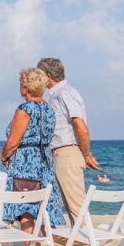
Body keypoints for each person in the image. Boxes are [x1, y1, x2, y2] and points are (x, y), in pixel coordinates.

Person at [1, 67, 65, 246]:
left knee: (26, 216)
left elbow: (13, 141)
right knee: (43, 215)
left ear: (25, 87)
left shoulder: (25, 109)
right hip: (44, 164)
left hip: (25, 164)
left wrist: (4, 155)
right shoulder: (48, 109)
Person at [36, 57, 103, 225]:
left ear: (48, 76)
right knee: (69, 206)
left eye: (39, 76)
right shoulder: (58, 94)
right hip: (61, 152)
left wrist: (86, 154)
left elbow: (81, 127)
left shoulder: (64, 93)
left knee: (76, 208)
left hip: (65, 152)